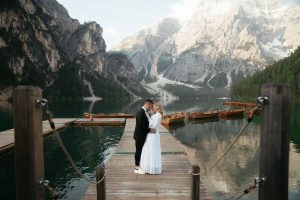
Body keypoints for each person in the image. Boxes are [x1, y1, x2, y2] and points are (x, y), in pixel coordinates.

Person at [137, 103, 163, 174]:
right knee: (150, 149)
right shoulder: (157, 115)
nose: (152, 109)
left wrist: (148, 117)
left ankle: (149, 168)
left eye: (154, 107)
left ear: (157, 108)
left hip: (153, 135)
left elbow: (153, 125)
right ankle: (150, 167)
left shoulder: (158, 115)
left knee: (150, 149)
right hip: (153, 134)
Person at [133, 99, 156, 172]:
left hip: (142, 135)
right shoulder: (140, 112)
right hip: (139, 135)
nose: (151, 108)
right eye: (151, 106)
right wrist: (150, 130)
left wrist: (153, 113)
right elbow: (140, 126)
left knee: (141, 150)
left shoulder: (145, 112)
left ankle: (140, 164)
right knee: (138, 151)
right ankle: (136, 166)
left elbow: (148, 119)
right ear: (147, 104)